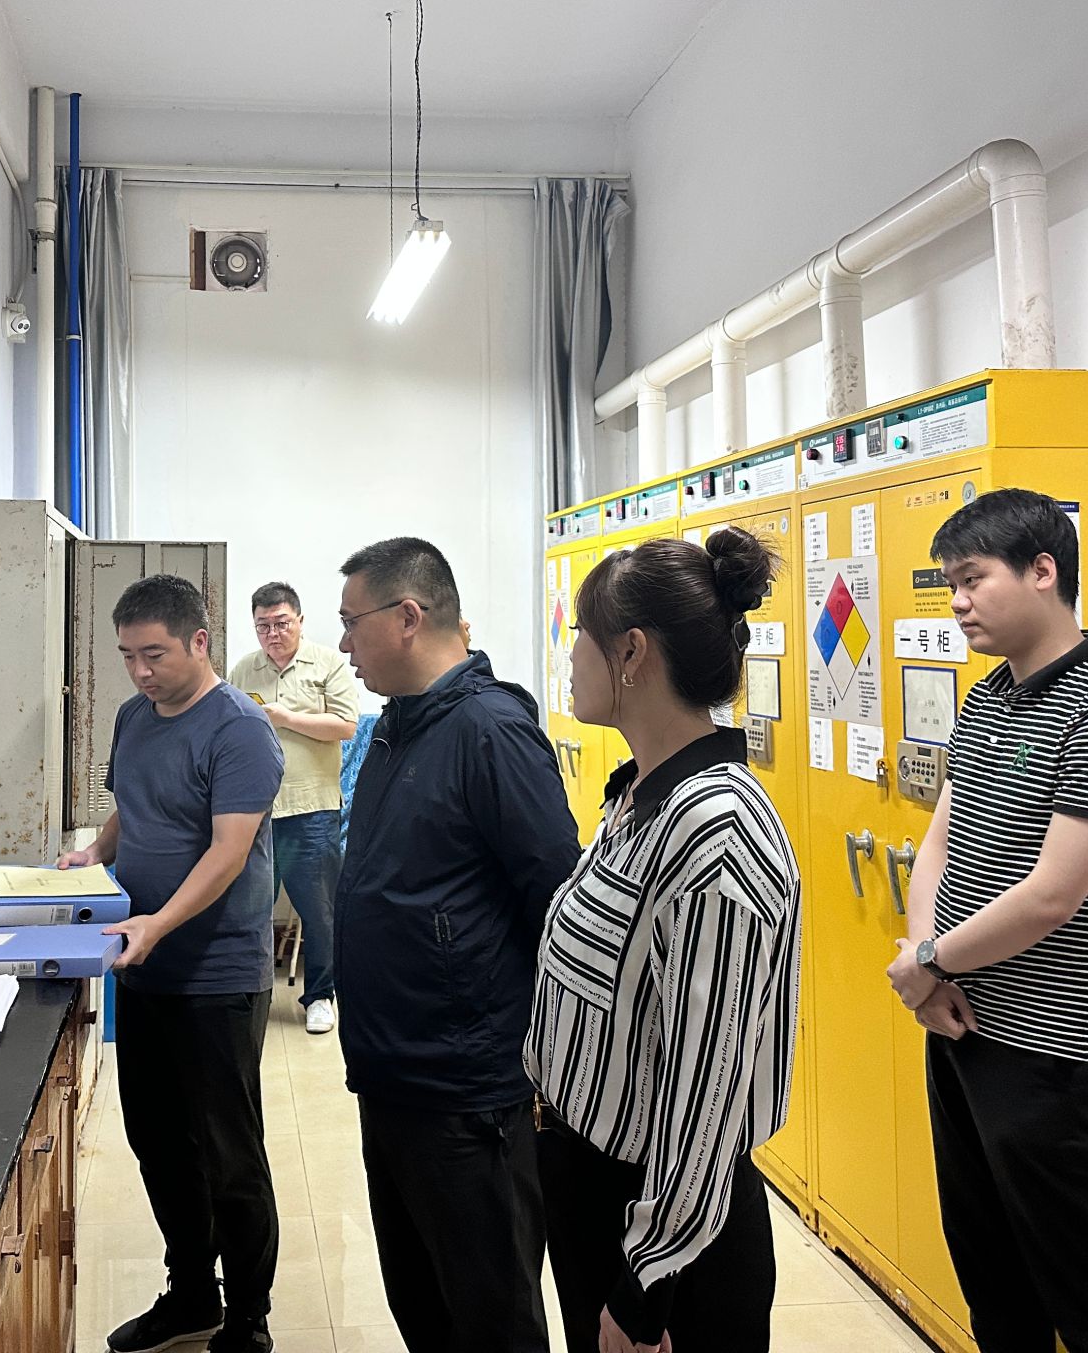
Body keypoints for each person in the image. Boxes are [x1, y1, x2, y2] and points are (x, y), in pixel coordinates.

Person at [886, 489, 1088, 1353]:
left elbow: (1053, 895)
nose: (956, 602)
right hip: (963, 1026)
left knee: (1085, 1290)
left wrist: (931, 961)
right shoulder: (988, 699)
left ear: (1044, 571)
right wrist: (927, 966)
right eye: (950, 584)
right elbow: (939, 841)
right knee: (992, 1278)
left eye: (972, 579)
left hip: (1052, 1053)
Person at [527, 531, 801, 1353]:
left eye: (579, 636)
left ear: (631, 653)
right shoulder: (640, 798)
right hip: (594, 1192)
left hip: (667, 1241)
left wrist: (647, 1287)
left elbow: (705, 1089)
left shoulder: (717, 832)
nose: (570, 657)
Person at [333, 537, 580, 1353]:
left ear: (407, 617)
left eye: (352, 622)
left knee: (491, 1321)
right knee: (425, 1311)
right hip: (392, 1077)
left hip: (466, 1092)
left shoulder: (489, 731)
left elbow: (556, 901)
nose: (343, 643)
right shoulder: (396, 727)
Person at [59, 574, 285, 1353]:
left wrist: (158, 922)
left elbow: (229, 852)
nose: (140, 671)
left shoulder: (240, 729)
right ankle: (191, 1294)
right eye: (128, 655)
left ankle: (248, 1319)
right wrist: (94, 852)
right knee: (158, 1142)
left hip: (216, 975)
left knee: (229, 1156)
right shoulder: (134, 716)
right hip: (142, 964)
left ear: (199, 640)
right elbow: (131, 807)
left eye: (153, 654)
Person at [228, 581, 360, 1034]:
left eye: (282, 623)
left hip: (312, 809)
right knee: (249, 908)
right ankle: (252, 994)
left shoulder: (327, 664)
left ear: (300, 621)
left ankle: (320, 995)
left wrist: (287, 718)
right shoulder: (243, 670)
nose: (273, 633)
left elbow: (345, 725)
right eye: (263, 626)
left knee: (320, 912)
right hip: (255, 812)